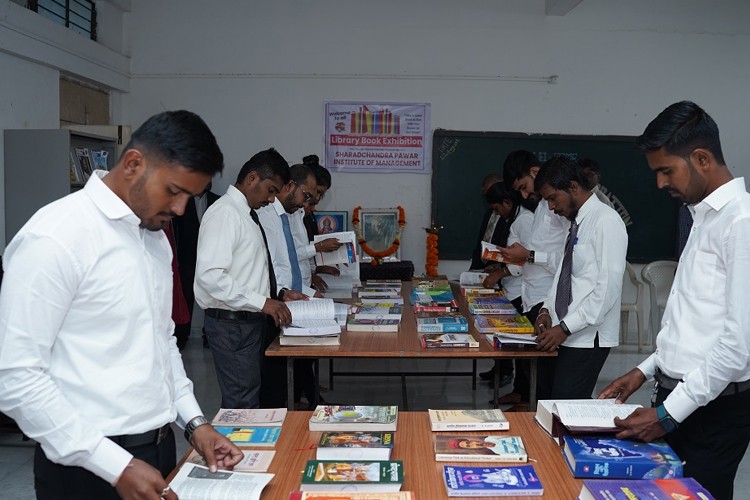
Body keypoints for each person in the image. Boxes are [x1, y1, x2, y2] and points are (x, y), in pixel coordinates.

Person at [0, 110, 243, 500]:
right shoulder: (56, 237)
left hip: (157, 449)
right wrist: (113, 464)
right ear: (133, 164)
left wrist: (195, 423)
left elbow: (161, 341)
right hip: (84, 465)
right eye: (174, 191)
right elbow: (16, 377)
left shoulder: (153, 238)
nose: (180, 210)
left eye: (190, 197)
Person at [599, 101, 750, 500]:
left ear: (701, 158)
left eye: (667, 170)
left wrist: (667, 415)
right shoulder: (703, 216)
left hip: (712, 409)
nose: (660, 183)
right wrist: (645, 370)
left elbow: (737, 348)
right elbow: (694, 321)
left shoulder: (742, 223)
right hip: (679, 397)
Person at [194, 148, 294, 410]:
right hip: (231, 325)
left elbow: (248, 270)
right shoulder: (225, 214)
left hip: (246, 322)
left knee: (249, 397)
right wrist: (263, 303)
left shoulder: (245, 214)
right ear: (252, 178)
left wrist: (277, 295)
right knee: (242, 402)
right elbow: (211, 277)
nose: (272, 199)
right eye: (271, 190)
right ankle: (238, 451)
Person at [532, 155, 628, 399]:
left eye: (553, 198)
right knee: (549, 402)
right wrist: (546, 310)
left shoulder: (606, 221)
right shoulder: (577, 222)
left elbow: (607, 290)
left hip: (586, 338)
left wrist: (565, 328)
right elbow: (566, 274)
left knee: (565, 409)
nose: (551, 207)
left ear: (573, 186)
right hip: (565, 331)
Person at [493, 150, 568, 408]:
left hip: (547, 300)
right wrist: (522, 256)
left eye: (524, 187)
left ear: (535, 173)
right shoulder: (537, 210)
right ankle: (530, 404)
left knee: (547, 377)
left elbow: (566, 261)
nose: (524, 195)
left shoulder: (561, 210)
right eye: (519, 191)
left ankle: (536, 411)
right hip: (531, 298)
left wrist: (529, 255)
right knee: (533, 367)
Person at [257, 163, 318, 408]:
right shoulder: (266, 215)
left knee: (285, 375)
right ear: (291, 186)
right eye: (307, 195)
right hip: (272, 303)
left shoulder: (285, 215)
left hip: (288, 301)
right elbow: (269, 265)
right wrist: (281, 293)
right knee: (273, 379)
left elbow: (287, 261)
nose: (306, 203)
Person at [172, 182, 220, 349]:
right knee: (185, 296)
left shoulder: (217, 201)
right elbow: (176, 230)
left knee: (213, 297)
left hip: (212, 259)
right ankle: (182, 335)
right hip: (187, 259)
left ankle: (210, 335)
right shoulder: (182, 201)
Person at [469, 174, 507, 271]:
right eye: (486, 195)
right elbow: (480, 243)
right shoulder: (489, 213)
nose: (488, 199)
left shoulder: (509, 215)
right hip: (481, 269)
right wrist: (472, 270)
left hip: (498, 270)